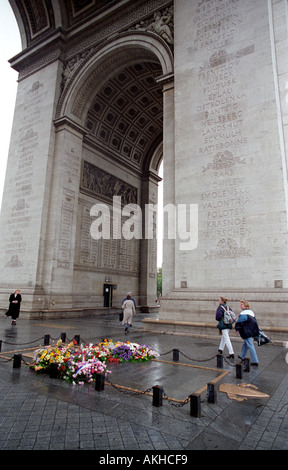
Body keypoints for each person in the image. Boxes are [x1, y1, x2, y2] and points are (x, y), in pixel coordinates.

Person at [235, 300, 259, 366]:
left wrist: (236, 328)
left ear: (245, 306)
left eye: (241, 304)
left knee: (250, 345)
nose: (240, 306)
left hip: (246, 331)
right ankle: (242, 356)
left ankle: (255, 361)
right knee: (246, 344)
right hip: (250, 331)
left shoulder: (244, 314)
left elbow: (240, 323)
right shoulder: (251, 313)